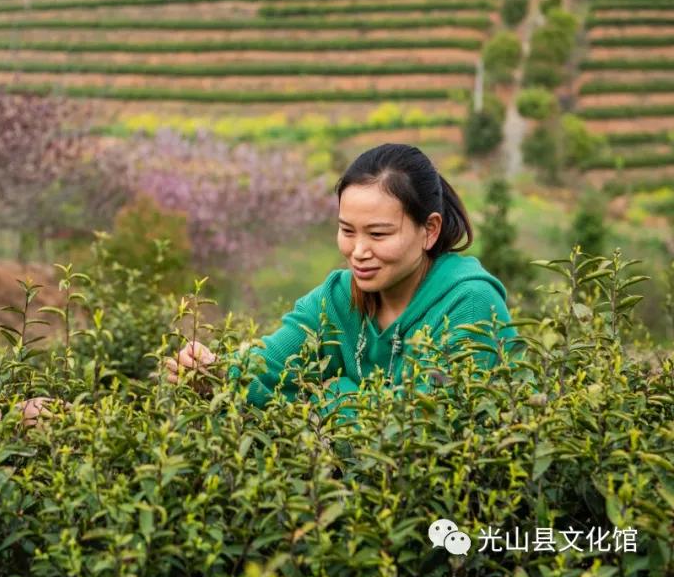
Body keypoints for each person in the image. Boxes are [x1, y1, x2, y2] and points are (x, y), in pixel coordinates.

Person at [164, 143, 520, 418]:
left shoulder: (469, 302)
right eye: (347, 230)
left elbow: (422, 426)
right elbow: (268, 368)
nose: (359, 251)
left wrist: (334, 392)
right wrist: (214, 374)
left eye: (378, 234)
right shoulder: (338, 298)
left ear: (429, 230)